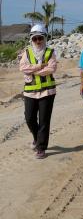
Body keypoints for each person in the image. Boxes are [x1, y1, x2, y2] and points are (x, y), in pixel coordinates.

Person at [19, 24, 57, 159]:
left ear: (44, 38)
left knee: (44, 120)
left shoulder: (50, 52)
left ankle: (41, 148)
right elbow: (23, 67)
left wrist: (33, 69)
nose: (38, 41)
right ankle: (36, 138)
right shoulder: (27, 52)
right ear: (31, 39)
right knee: (29, 118)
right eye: (35, 39)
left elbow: (51, 68)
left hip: (47, 92)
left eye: (40, 38)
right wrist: (39, 66)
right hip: (30, 92)